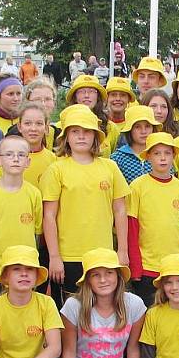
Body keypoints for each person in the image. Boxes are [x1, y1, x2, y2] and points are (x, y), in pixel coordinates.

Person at [42, 105, 130, 308]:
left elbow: (120, 210)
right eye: (75, 131)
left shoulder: (110, 167)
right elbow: (49, 216)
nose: (81, 136)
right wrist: (54, 256)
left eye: (87, 131)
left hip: (103, 255)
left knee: (100, 309)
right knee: (69, 312)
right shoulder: (57, 169)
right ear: (66, 137)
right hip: (68, 255)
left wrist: (122, 250)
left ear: (96, 136)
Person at [127, 132, 179, 306]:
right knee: (149, 314)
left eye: (167, 153)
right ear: (148, 156)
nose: (162, 158)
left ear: (174, 156)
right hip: (148, 266)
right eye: (157, 153)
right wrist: (135, 268)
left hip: (177, 266)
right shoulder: (137, 187)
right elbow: (132, 229)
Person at [0, 136, 43, 302]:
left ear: (28, 161)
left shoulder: (34, 194)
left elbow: (37, 234)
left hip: (27, 269)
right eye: (9, 154)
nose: (15, 159)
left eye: (21, 155)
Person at [64, 74, 120, 159]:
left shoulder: (111, 128)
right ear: (74, 97)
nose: (86, 95)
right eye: (82, 91)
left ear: (98, 97)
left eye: (91, 91)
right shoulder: (62, 125)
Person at [109, 104, 161, 184]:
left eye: (147, 126)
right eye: (137, 127)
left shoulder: (161, 154)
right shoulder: (117, 158)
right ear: (130, 130)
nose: (143, 131)